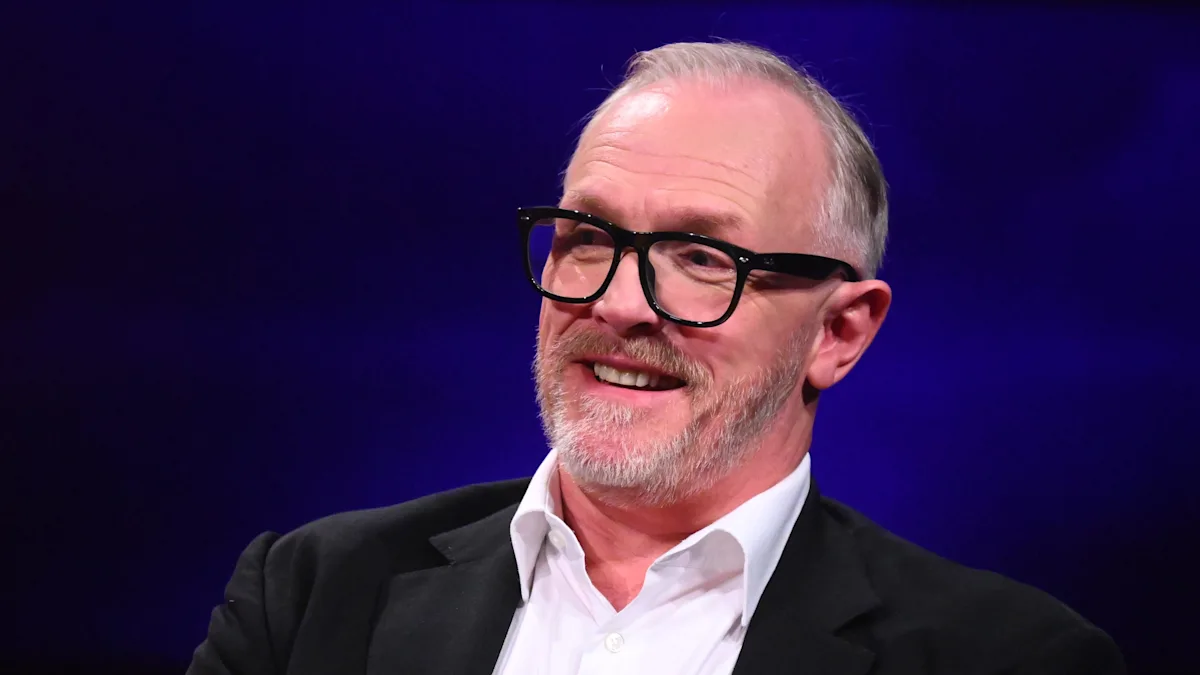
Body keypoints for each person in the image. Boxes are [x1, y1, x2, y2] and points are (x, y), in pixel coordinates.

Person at [187, 41, 1124, 675]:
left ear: (839, 332)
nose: (619, 303)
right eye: (589, 237)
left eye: (703, 257)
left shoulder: (1011, 656)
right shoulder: (310, 596)